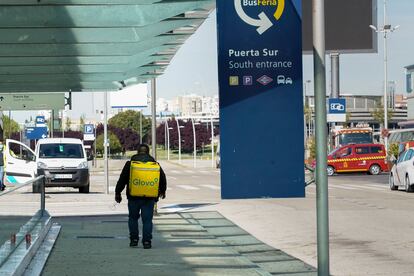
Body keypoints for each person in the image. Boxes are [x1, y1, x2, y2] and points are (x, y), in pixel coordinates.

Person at [115, 144, 167, 249]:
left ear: (137, 152)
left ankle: (134, 240)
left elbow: (122, 179)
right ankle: (147, 241)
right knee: (147, 220)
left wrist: (118, 192)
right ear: (148, 152)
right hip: (149, 197)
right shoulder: (155, 164)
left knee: (133, 218)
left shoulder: (130, 164)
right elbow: (162, 178)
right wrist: (162, 191)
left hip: (133, 196)